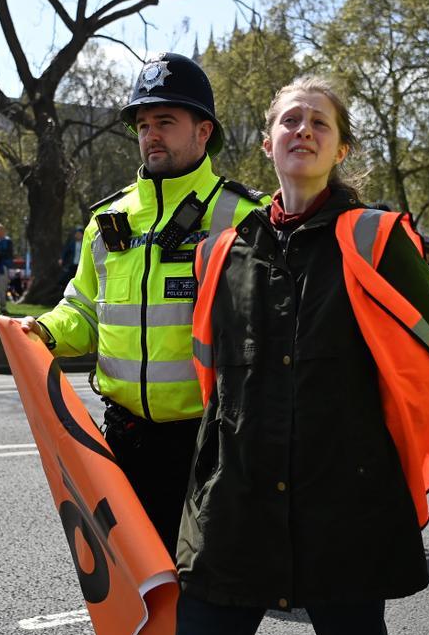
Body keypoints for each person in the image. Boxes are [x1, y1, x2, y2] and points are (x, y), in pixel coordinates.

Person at [176, 77, 429, 635]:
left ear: (341, 149)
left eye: (319, 123)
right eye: (289, 120)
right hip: (236, 506)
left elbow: (426, 365)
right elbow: (214, 385)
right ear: (267, 144)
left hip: (343, 511)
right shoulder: (218, 253)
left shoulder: (380, 240)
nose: (302, 130)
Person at [17, 52, 265, 555]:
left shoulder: (243, 218)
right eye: (143, 123)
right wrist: (44, 332)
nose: (151, 134)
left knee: (199, 595)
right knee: (136, 583)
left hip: (207, 444)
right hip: (122, 439)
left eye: (166, 122)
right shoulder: (108, 219)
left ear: (204, 131)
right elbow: (84, 312)